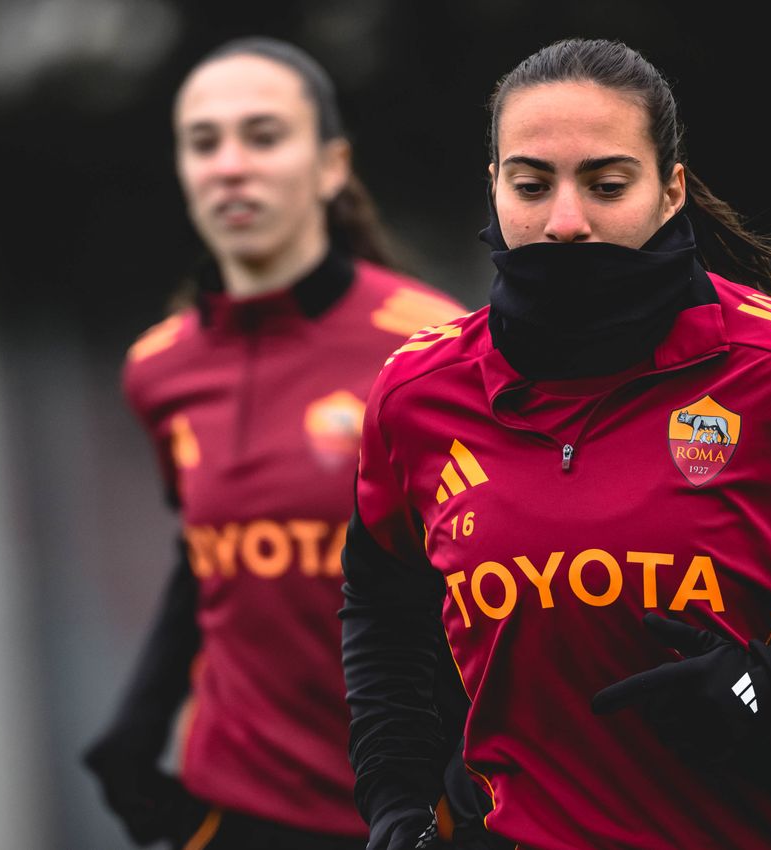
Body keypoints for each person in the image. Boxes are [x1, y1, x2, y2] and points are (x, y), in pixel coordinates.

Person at [341, 37, 771, 850]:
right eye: (530, 184)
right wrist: (395, 803)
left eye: (606, 183)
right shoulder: (415, 392)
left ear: (670, 193)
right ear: (494, 192)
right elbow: (384, 620)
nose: (563, 220)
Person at [82, 37, 492, 850]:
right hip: (235, 805)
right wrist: (136, 726)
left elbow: (490, 571)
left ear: (331, 165)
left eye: (263, 135)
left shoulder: (430, 345)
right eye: (204, 142)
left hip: (403, 815)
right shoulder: (156, 368)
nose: (230, 164)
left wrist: (456, 794)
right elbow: (203, 556)